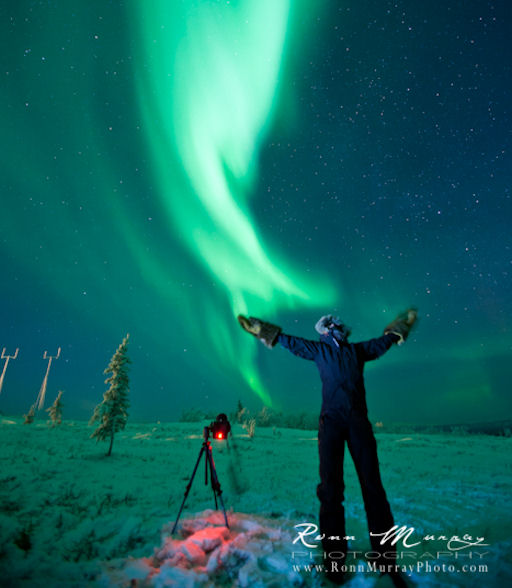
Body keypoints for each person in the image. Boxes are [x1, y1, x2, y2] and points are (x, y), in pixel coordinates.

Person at [238, 309, 417, 586]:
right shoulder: (319, 351)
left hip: (358, 423)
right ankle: (334, 563)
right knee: (331, 491)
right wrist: (261, 329)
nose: (337, 328)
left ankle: (385, 557)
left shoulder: (356, 351)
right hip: (331, 423)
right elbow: (289, 341)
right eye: (331, 325)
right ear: (324, 330)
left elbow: (382, 343)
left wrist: (399, 327)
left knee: (373, 488)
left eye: (338, 325)